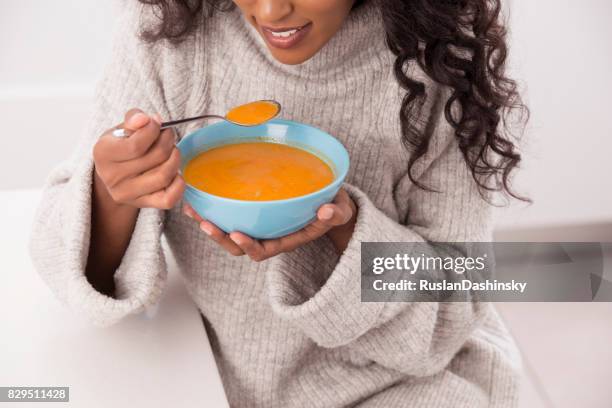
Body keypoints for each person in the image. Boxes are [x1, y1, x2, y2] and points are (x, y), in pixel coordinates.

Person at [30, 0, 526, 406]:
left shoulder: (441, 63)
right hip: (211, 375)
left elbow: (456, 305)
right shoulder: (170, 31)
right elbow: (64, 265)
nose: (271, 11)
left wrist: (343, 230)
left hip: (403, 385)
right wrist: (112, 189)